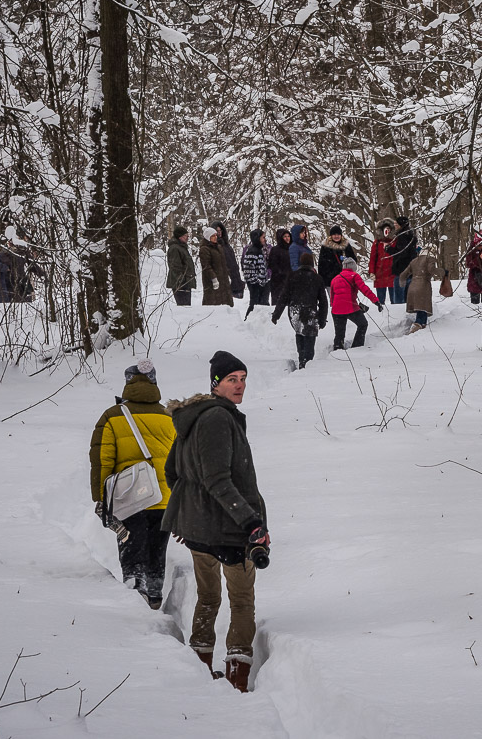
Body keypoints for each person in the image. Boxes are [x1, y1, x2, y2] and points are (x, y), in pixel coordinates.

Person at [163, 351, 269, 692]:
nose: (239, 386)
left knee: (208, 599)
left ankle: (200, 667)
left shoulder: (193, 417)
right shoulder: (218, 419)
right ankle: (237, 678)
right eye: (231, 380)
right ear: (216, 384)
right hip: (228, 530)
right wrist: (251, 522)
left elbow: (172, 472)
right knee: (240, 601)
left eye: (242, 379)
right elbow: (217, 480)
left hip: (199, 531)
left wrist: (190, 514)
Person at [89, 359, 174, 609]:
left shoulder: (112, 416)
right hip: (164, 497)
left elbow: (101, 459)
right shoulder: (170, 417)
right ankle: (155, 598)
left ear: (128, 383)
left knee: (133, 553)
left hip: (130, 498)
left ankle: (138, 603)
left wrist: (101, 499)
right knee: (156, 553)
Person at [272, 252, 329, 368]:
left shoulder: (292, 276)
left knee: (299, 333)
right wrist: (322, 319)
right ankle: (307, 362)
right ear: (312, 264)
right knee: (310, 336)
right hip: (310, 311)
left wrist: (276, 314)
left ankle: (301, 358)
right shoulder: (317, 278)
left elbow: (283, 296)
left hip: (295, 311)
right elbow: (323, 301)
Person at [329, 257, 381, 350]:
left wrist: (334, 306)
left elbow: (332, 297)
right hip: (350, 307)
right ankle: (357, 347)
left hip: (336, 310)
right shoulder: (354, 276)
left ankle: (337, 350)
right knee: (363, 324)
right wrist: (376, 301)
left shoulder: (335, 279)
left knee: (339, 333)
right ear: (354, 267)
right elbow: (365, 290)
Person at [398, 248, 443, 333]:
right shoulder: (429, 259)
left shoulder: (414, 261)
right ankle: (418, 324)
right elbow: (431, 269)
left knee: (421, 307)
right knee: (423, 306)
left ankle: (422, 325)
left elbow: (403, 275)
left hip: (413, 286)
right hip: (423, 286)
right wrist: (443, 272)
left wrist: (402, 283)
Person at [385, 216, 419, 304]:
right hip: (411, 269)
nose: (394, 225)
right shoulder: (411, 235)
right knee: (408, 297)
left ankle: (400, 316)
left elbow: (402, 252)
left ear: (401, 225)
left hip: (401, 270)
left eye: (396, 224)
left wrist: (388, 249)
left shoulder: (402, 236)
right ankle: (408, 314)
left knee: (399, 299)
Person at [241, 229, 272, 319]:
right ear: (257, 238)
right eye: (263, 237)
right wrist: (257, 281)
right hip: (255, 284)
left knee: (262, 304)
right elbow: (248, 270)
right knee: (254, 305)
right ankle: (248, 321)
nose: (264, 239)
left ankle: (259, 321)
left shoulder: (258, 249)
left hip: (261, 283)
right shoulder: (252, 251)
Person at [200, 227, 234, 307]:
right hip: (212, 280)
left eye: (216, 235)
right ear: (208, 237)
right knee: (213, 301)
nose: (215, 237)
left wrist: (227, 274)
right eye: (213, 236)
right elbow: (206, 266)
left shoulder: (219, 247)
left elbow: (223, 263)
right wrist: (213, 278)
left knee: (225, 301)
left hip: (223, 279)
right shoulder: (205, 249)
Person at [368, 218, 396, 305]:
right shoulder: (377, 243)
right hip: (380, 274)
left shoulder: (395, 242)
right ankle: (381, 316)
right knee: (380, 302)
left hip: (393, 274)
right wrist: (372, 272)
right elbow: (372, 259)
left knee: (395, 301)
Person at [213, 222, 244, 301]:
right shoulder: (215, 246)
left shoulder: (226, 245)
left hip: (234, 278)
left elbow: (233, 263)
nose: (219, 233)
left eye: (220, 231)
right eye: (217, 231)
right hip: (225, 280)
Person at [166, 226, 197, 306]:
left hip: (185, 283)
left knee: (186, 306)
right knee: (183, 308)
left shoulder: (182, 247)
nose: (187, 238)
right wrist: (181, 281)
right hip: (180, 284)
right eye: (185, 236)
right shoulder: (175, 249)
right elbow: (175, 267)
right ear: (180, 237)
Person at [268, 227, 292, 304]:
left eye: (288, 236)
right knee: (279, 302)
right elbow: (272, 264)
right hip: (278, 280)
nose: (287, 238)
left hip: (291, 279)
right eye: (285, 237)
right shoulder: (275, 250)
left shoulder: (292, 248)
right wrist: (281, 272)